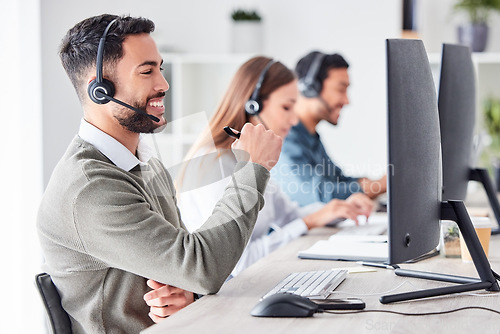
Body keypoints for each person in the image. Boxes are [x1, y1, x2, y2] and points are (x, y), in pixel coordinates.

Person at [36, 14, 282, 333]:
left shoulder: (143, 160)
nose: (163, 84)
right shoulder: (90, 186)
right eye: (147, 71)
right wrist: (253, 167)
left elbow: (183, 266)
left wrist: (186, 293)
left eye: (160, 68)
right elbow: (201, 266)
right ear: (99, 89)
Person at [144, 56, 373, 321]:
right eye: (287, 107)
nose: (294, 119)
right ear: (253, 104)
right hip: (222, 301)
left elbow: (287, 215)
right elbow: (238, 262)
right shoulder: (214, 164)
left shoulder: (252, 157)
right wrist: (309, 222)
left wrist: (330, 210)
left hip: (247, 290)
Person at [272, 51, 387, 206]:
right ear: (311, 87)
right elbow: (320, 194)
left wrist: (377, 182)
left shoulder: (310, 137)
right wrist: (380, 185)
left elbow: (338, 179)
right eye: (341, 89)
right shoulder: (286, 137)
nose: (346, 101)